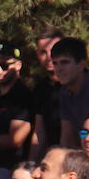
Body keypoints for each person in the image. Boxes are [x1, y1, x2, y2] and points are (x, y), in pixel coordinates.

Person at [0, 41, 34, 172]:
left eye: (4, 65)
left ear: (18, 65)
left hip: (10, 169)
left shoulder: (24, 97)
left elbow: (15, 140)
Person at [29, 27, 64, 158]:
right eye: (43, 52)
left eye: (54, 51)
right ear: (38, 55)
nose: (49, 57)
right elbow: (39, 131)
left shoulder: (79, 83)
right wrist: (30, 165)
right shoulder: (41, 88)